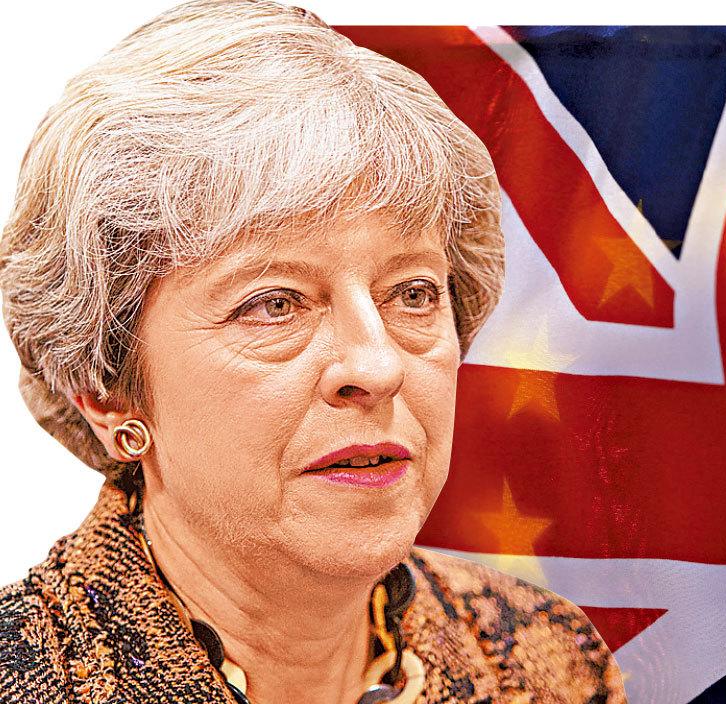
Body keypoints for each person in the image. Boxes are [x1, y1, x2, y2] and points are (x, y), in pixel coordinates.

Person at [0, 1, 627, 702]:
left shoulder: (547, 662)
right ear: (106, 392)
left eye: (413, 293)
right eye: (275, 304)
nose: (378, 367)